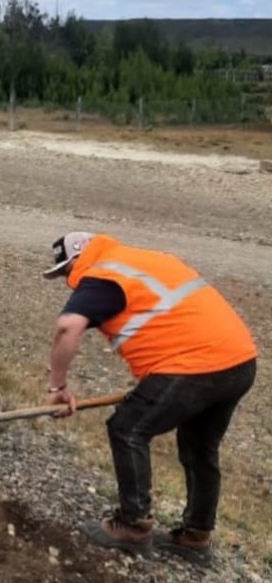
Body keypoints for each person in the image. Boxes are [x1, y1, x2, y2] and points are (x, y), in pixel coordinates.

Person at [43, 231, 257, 564]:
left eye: (66, 272)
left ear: (78, 259)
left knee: (127, 429)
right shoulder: (145, 260)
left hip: (193, 366)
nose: (68, 281)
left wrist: (57, 388)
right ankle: (196, 537)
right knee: (199, 446)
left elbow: (67, 328)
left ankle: (133, 525)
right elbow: (171, 319)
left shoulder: (100, 275)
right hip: (239, 361)